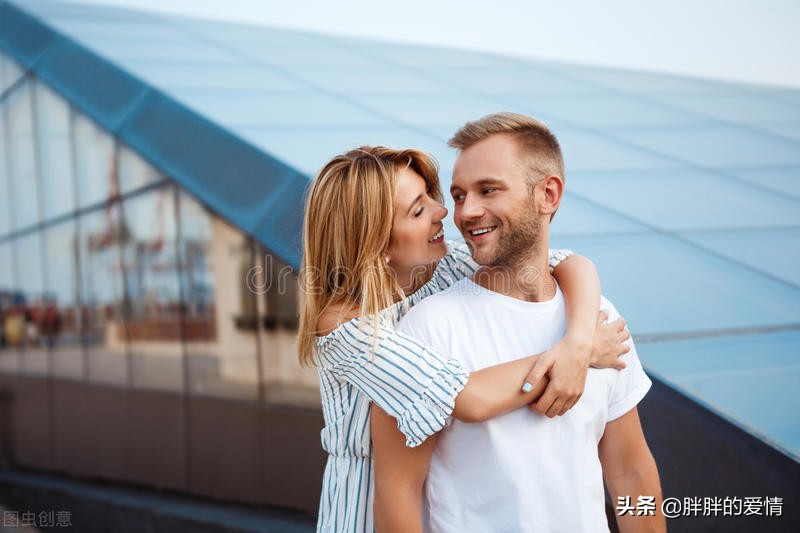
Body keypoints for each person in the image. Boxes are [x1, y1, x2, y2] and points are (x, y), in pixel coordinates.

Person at [299, 146, 631, 533]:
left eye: (431, 197)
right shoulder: (345, 327)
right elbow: (466, 398)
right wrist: (585, 352)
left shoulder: (443, 265)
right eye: (418, 210)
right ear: (376, 246)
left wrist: (576, 339)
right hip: (363, 515)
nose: (443, 213)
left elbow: (569, 263)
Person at [372, 113, 665, 533]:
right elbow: (398, 496)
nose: (466, 212)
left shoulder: (599, 320)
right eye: (458, 196)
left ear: (548, 194)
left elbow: (631, 473)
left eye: (488, 190)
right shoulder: (427, 330)